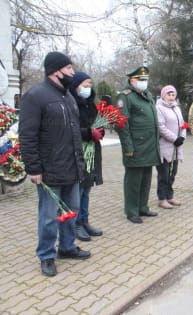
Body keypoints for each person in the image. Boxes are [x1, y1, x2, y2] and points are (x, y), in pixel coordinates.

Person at [19, 51, 91, 277]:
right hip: (49, 171)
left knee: (70, 212)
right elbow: (27, 135)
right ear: (55, 71)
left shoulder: (68, 97)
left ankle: (67, 248)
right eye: (69, 69)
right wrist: (33, 168)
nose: (72, 72)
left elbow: (74, 135)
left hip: (71, 168)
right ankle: (46, 255)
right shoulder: (35, 96)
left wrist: (80, 164)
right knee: (49, 217)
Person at [116, 66, 160, 223]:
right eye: (141, 80)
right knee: (134, 180)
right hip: (135, 146)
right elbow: (122, 124)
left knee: (146, 178)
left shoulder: (147, 95)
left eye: (146, 80)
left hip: (149, 146)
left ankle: (143, 207)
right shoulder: (125, 96)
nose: (144, 82)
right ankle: (132, 211)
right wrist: (127, 147)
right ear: (132, 80)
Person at [69, 72, 104, 241]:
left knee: (87, 189)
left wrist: (100, 130)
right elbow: (71, 128)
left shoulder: (91, 105)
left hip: (92, 150)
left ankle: (85, 221)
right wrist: (89, 133)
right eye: (85, 85)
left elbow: (97, 122)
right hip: (78, 151)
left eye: (90, 85)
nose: (88, 88)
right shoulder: (71, 103)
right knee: (79, 190)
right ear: (76, 86)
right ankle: (75, 224)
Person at [155, 85, 186, 209]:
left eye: (173, 95)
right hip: (165, 146)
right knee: (164, 174)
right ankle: (162, 198)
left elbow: (183, 124)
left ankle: (170, 196)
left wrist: (182, 137)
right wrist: (174, 138)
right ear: (163, 95)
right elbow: (161, 127)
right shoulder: (159, 108)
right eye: (169, 94)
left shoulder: (176, 108)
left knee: (173, 173)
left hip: (176, 147)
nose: (171, 97)